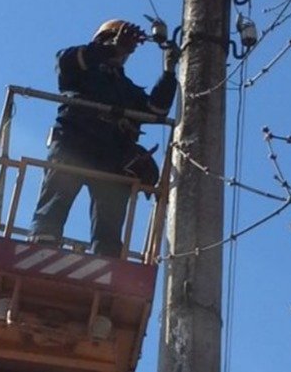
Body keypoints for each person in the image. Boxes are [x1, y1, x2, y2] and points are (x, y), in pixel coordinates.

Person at [29, 19, 179, 257]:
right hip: (75, 142)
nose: (122, 52)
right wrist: (112, 47)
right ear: (101, 41)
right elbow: (66, 61)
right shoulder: (80, 68)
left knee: (109, 218)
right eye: (115, 42)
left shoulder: (126, 89)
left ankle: (107, 257)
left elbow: (155, 112)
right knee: (57, 196)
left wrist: (169, 72)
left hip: (112, 155)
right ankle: (43, 242)